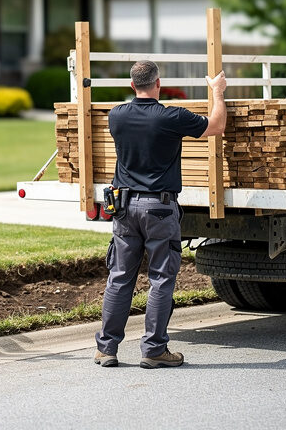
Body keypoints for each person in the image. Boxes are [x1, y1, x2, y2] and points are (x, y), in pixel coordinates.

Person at [94, 60, 226, 368]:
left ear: (131, 85)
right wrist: (217, 91)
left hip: (124, 208)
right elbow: (217, 126)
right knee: (161, 279)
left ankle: (106, 349)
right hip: (159, 209)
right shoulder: (171, 117)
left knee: (119, 277)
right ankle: (154, 350)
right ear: (158, 84)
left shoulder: (117, 116)